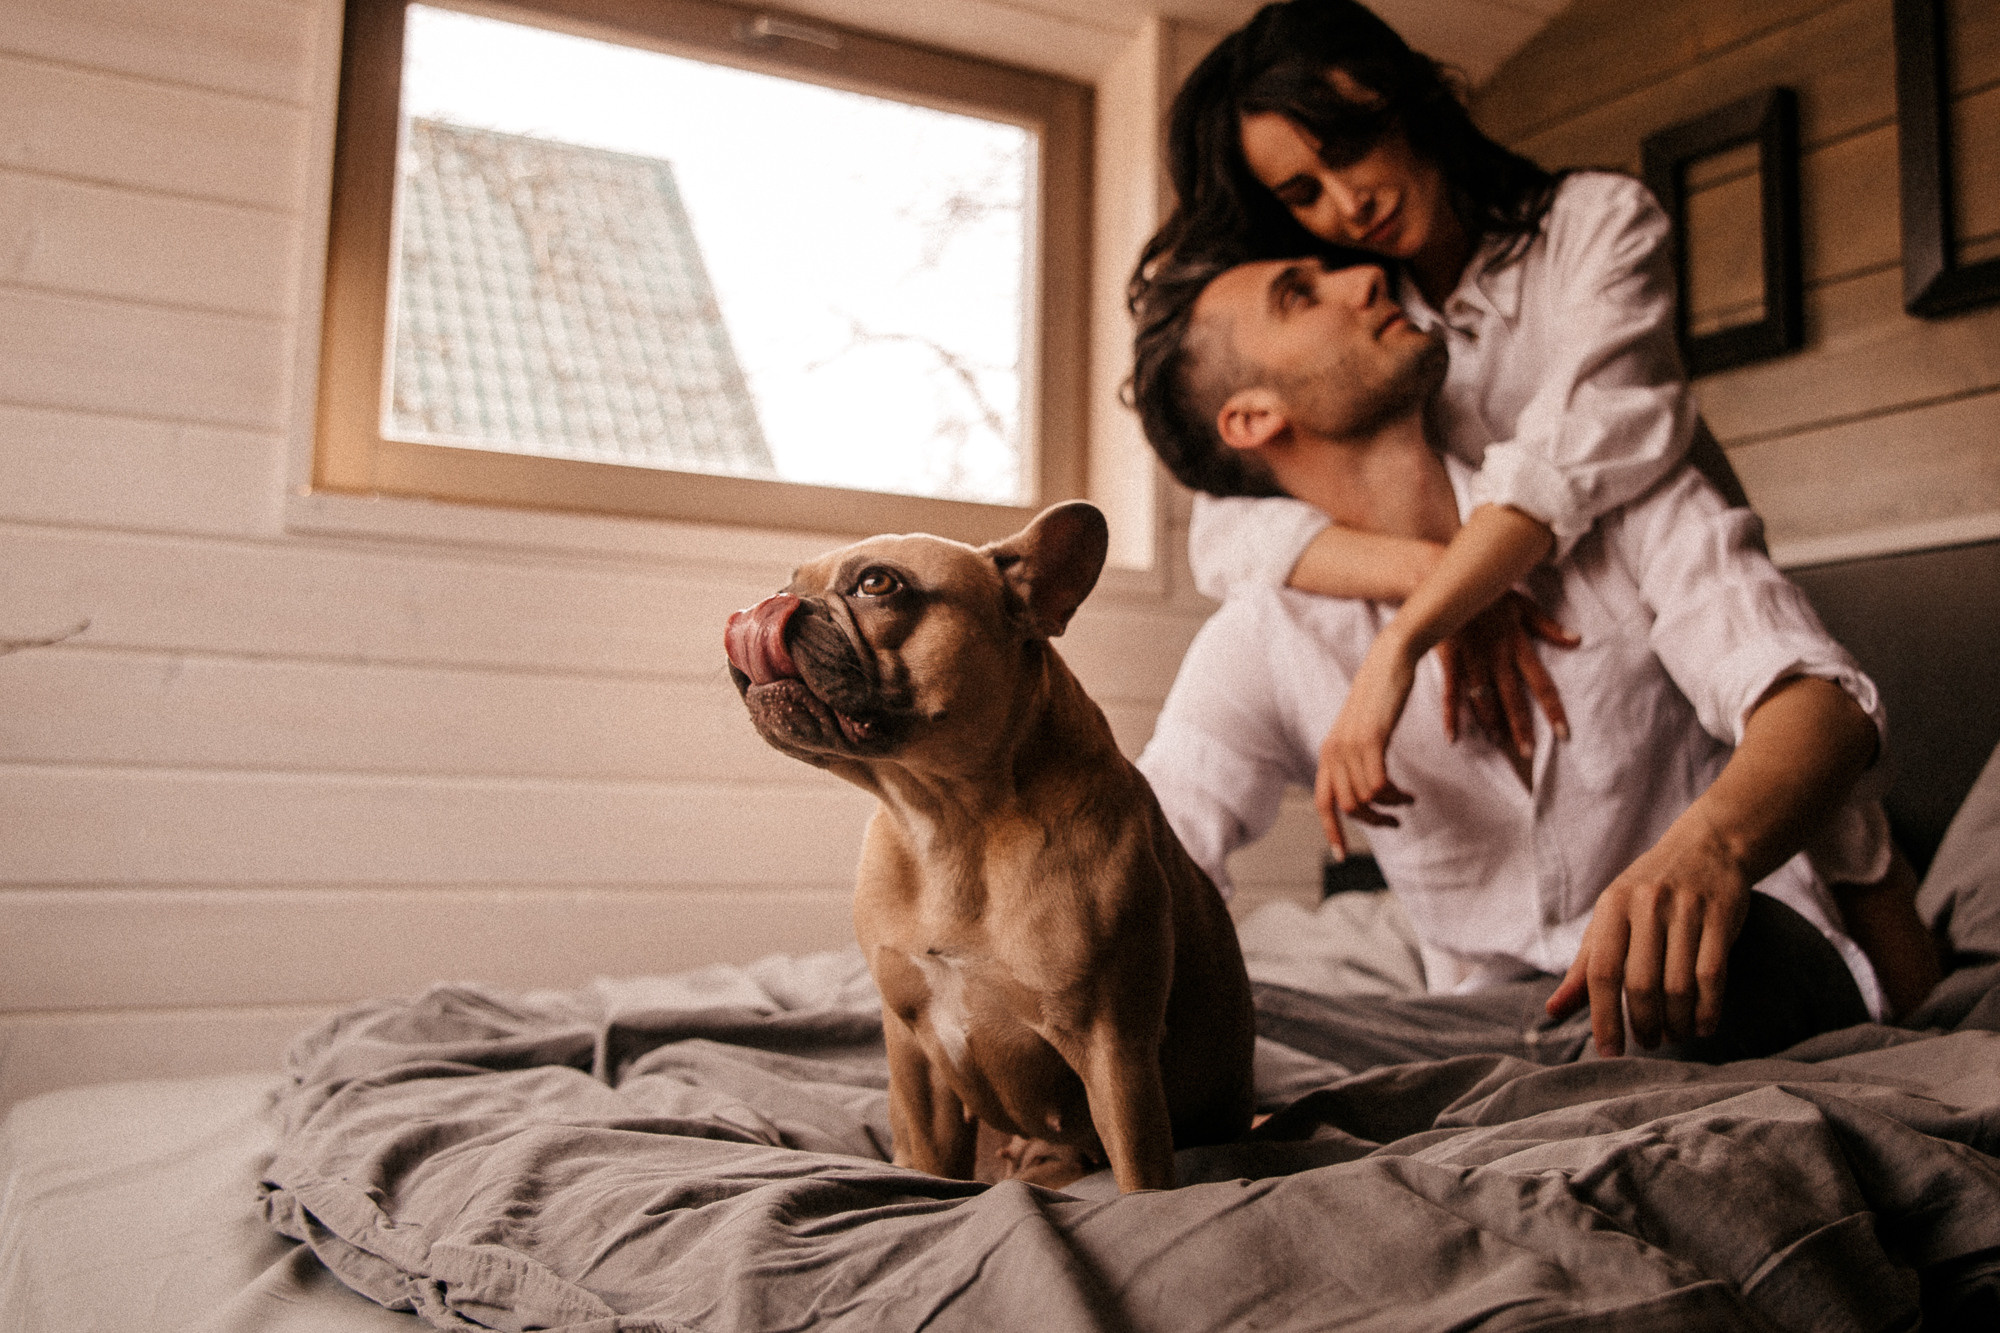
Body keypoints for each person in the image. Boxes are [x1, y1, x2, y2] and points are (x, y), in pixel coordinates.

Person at [1130, 254, 1941, 1058]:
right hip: (1494, 1039)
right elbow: (1143, 866)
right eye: (1300, 297)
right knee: (1237, 1021)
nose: (1366, 279)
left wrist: (1711, 849)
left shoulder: (1624, 498)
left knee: (1742, 955)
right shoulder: (1266, 634)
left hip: (1723, 988)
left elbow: (1820, 704)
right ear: (1251, 418)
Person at [1131, 0, 1747, 834]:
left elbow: (1572, 450)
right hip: (1531, 670)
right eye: (1303, 192)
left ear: (1405, 95)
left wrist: (1409, 636)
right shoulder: (1366, 317)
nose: (1350, 204)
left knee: (1842, 843)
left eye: (1348, 147)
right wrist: (1447, 580)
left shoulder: (1596, 227)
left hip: (1682, 611)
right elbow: (1226, 530)